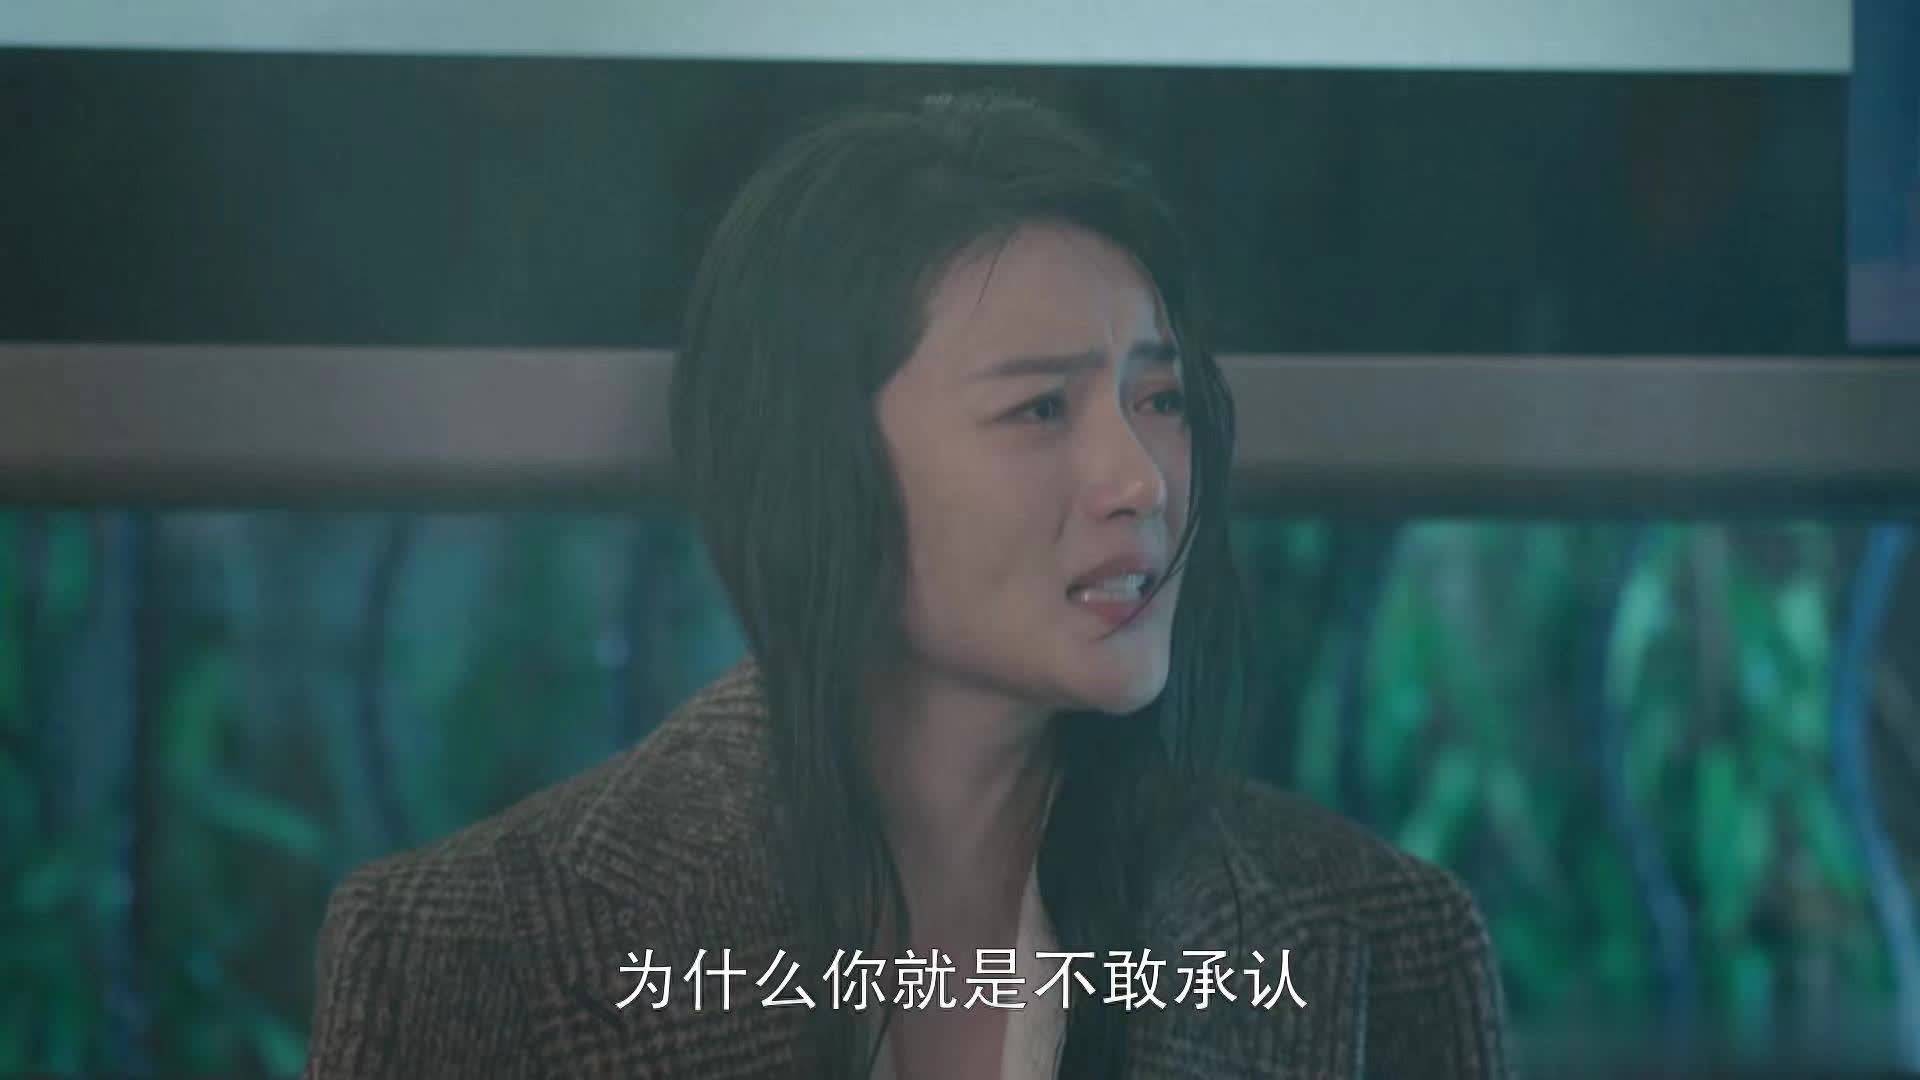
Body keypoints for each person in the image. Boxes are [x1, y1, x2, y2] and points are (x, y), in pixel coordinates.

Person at [303, 89, 1509, 1079]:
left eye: (1159, 398)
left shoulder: (1376, 943)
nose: (1139, 480)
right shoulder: (466, 952)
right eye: (1040, 409)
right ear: (816, 463)